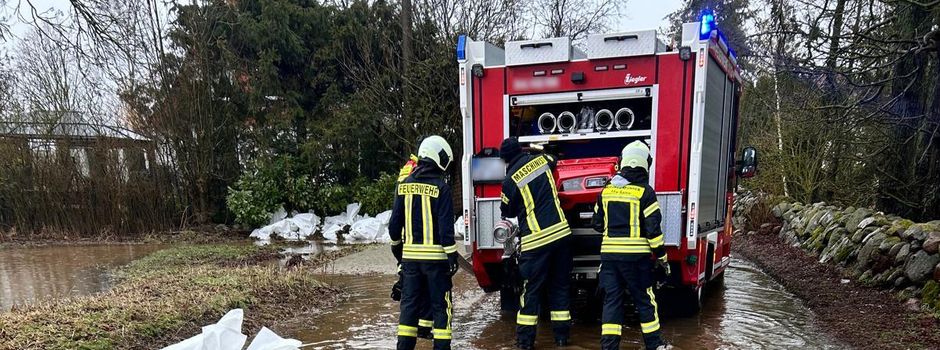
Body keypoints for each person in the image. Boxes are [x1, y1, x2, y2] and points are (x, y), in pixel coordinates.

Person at [591, 140, 672, 350]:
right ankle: (655, 345)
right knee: (645, 300)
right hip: (636, 259)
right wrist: (662, 258)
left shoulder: (606, 191)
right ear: (645, 164)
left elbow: (597, 224)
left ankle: (609, 346)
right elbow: (653, 231)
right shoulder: (645, 192)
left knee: (612, 302)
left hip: (609, 259)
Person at [499, 137, 573, 349]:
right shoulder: (542, 160)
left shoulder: (509, 180)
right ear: (521, 151)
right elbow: (554, 157)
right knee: (559, 287)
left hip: (535, 242)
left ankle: (525, 342)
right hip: (561, 235)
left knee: (531, 291)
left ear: (505, 159)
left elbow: (507, 211)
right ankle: (561, 339)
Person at [388, 135, 460, 350]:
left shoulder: (404, 185)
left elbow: (394, 226)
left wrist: (397, 250)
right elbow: (446, 230)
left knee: (409, 308)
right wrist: (452, 256)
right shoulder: (441, 188)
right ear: (438, 157)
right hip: (436, 261)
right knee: (441, 307)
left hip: (410, 262)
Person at [391, 153, 434, 339]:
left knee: (414, 281)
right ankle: (421, 327)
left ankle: (421, 329)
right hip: (413, 232)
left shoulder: (408, 167)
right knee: (419, 282)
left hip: (406, 232)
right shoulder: (417, 169)